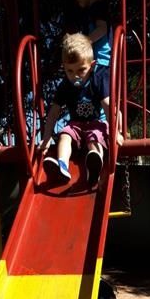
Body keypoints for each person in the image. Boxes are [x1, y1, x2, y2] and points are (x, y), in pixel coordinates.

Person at [38, 33, 122, 186]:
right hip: (75, 124)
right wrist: (46, 138)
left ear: (92, 65)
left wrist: (116, 132)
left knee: (94, 137)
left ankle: (94, 165)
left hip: (95, 122)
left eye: (81, 70)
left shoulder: (96, 80)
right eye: (70, 71)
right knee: (64, 135)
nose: (75, 76)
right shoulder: (65, 85)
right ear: (64, 67)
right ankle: (62, 166)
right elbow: (53, 113)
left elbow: (108, 106)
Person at [66, 0, 112, 67]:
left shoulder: (98, 7)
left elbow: (102, 29)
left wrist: (85, 41)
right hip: (95, 62)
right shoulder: (90, 11)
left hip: (102, 61)